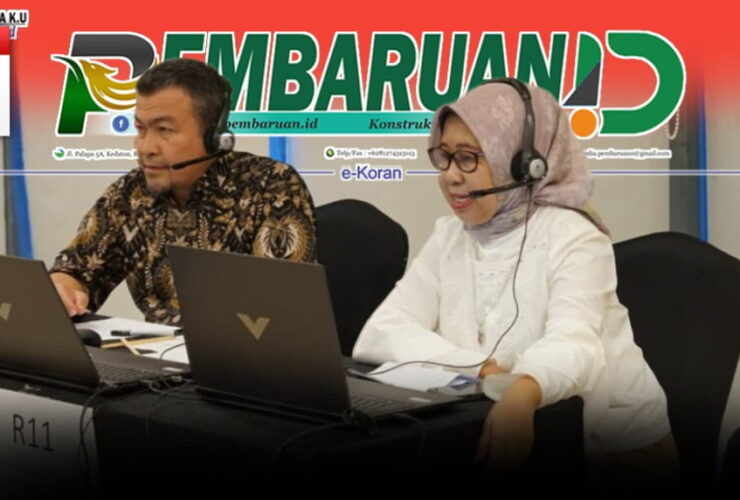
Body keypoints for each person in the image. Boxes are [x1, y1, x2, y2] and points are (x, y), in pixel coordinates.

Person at [352, 79, 678, 487]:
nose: (450, 176)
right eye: (444, 156)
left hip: (611, 452)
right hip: (506, 427)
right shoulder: (449, 235)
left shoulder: (576, 237)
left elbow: (575, 344)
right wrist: (482, 369)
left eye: (468, 158)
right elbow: (381, 333)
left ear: (526, 165)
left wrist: (524, 390)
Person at [49, 58, 316, 325]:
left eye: (164, 130)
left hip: (238, 348)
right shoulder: (130, 193)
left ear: (213, 137)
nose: (145, 148)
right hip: (154, 350)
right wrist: (64, 290)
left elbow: (278, 307)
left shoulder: (271, 186)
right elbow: (75, 269)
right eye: (141, 129)